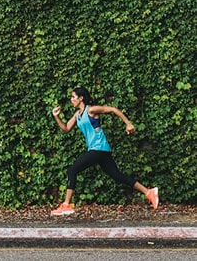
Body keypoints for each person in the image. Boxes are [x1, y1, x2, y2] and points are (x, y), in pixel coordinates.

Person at [50, 86, 159, 216]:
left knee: (72, 170)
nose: (71, 99)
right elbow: (66, 128)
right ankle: (149, 192)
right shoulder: (77, 115)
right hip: (101, 150)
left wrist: (128, 124)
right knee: (117, 175)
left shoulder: (91, 110)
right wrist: (56, 116)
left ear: (81, 98)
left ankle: (66, 205)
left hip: (98, 149)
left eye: (73, 97)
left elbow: (112, 109)